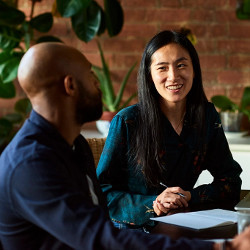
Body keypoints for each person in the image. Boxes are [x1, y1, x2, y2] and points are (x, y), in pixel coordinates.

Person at [0, 42, 220, 250]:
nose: (97, 82)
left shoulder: (75, 144)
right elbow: (100, 239)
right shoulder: (30, 165)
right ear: (71, 86)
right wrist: (219, 248)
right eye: (90, 74)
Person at [96, 30, 242, 230]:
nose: (173, 76)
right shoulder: (127, 121)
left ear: (194, 70)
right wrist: (154, 203)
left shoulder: (205, 117)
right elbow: (101, 193)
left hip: (185, 228)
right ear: (149, 75)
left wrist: (189, 196)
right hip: (133, 232)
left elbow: (231, 181)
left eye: (181, 65)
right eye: (162, 68)